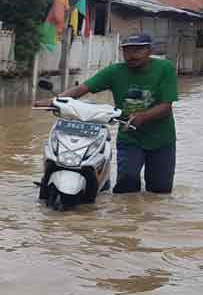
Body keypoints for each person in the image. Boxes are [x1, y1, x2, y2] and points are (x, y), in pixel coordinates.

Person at [52, 33, 178, 194]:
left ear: (149, 50)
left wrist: (143, 117)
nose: (131, 56)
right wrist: (55, 101)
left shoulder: (165, 68)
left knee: (160, 192)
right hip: (130, 137)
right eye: (127, 51)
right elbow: (82, 88)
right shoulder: (115, 71)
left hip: (162, 139)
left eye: (137, 50)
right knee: (127, 184)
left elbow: (166, 106)